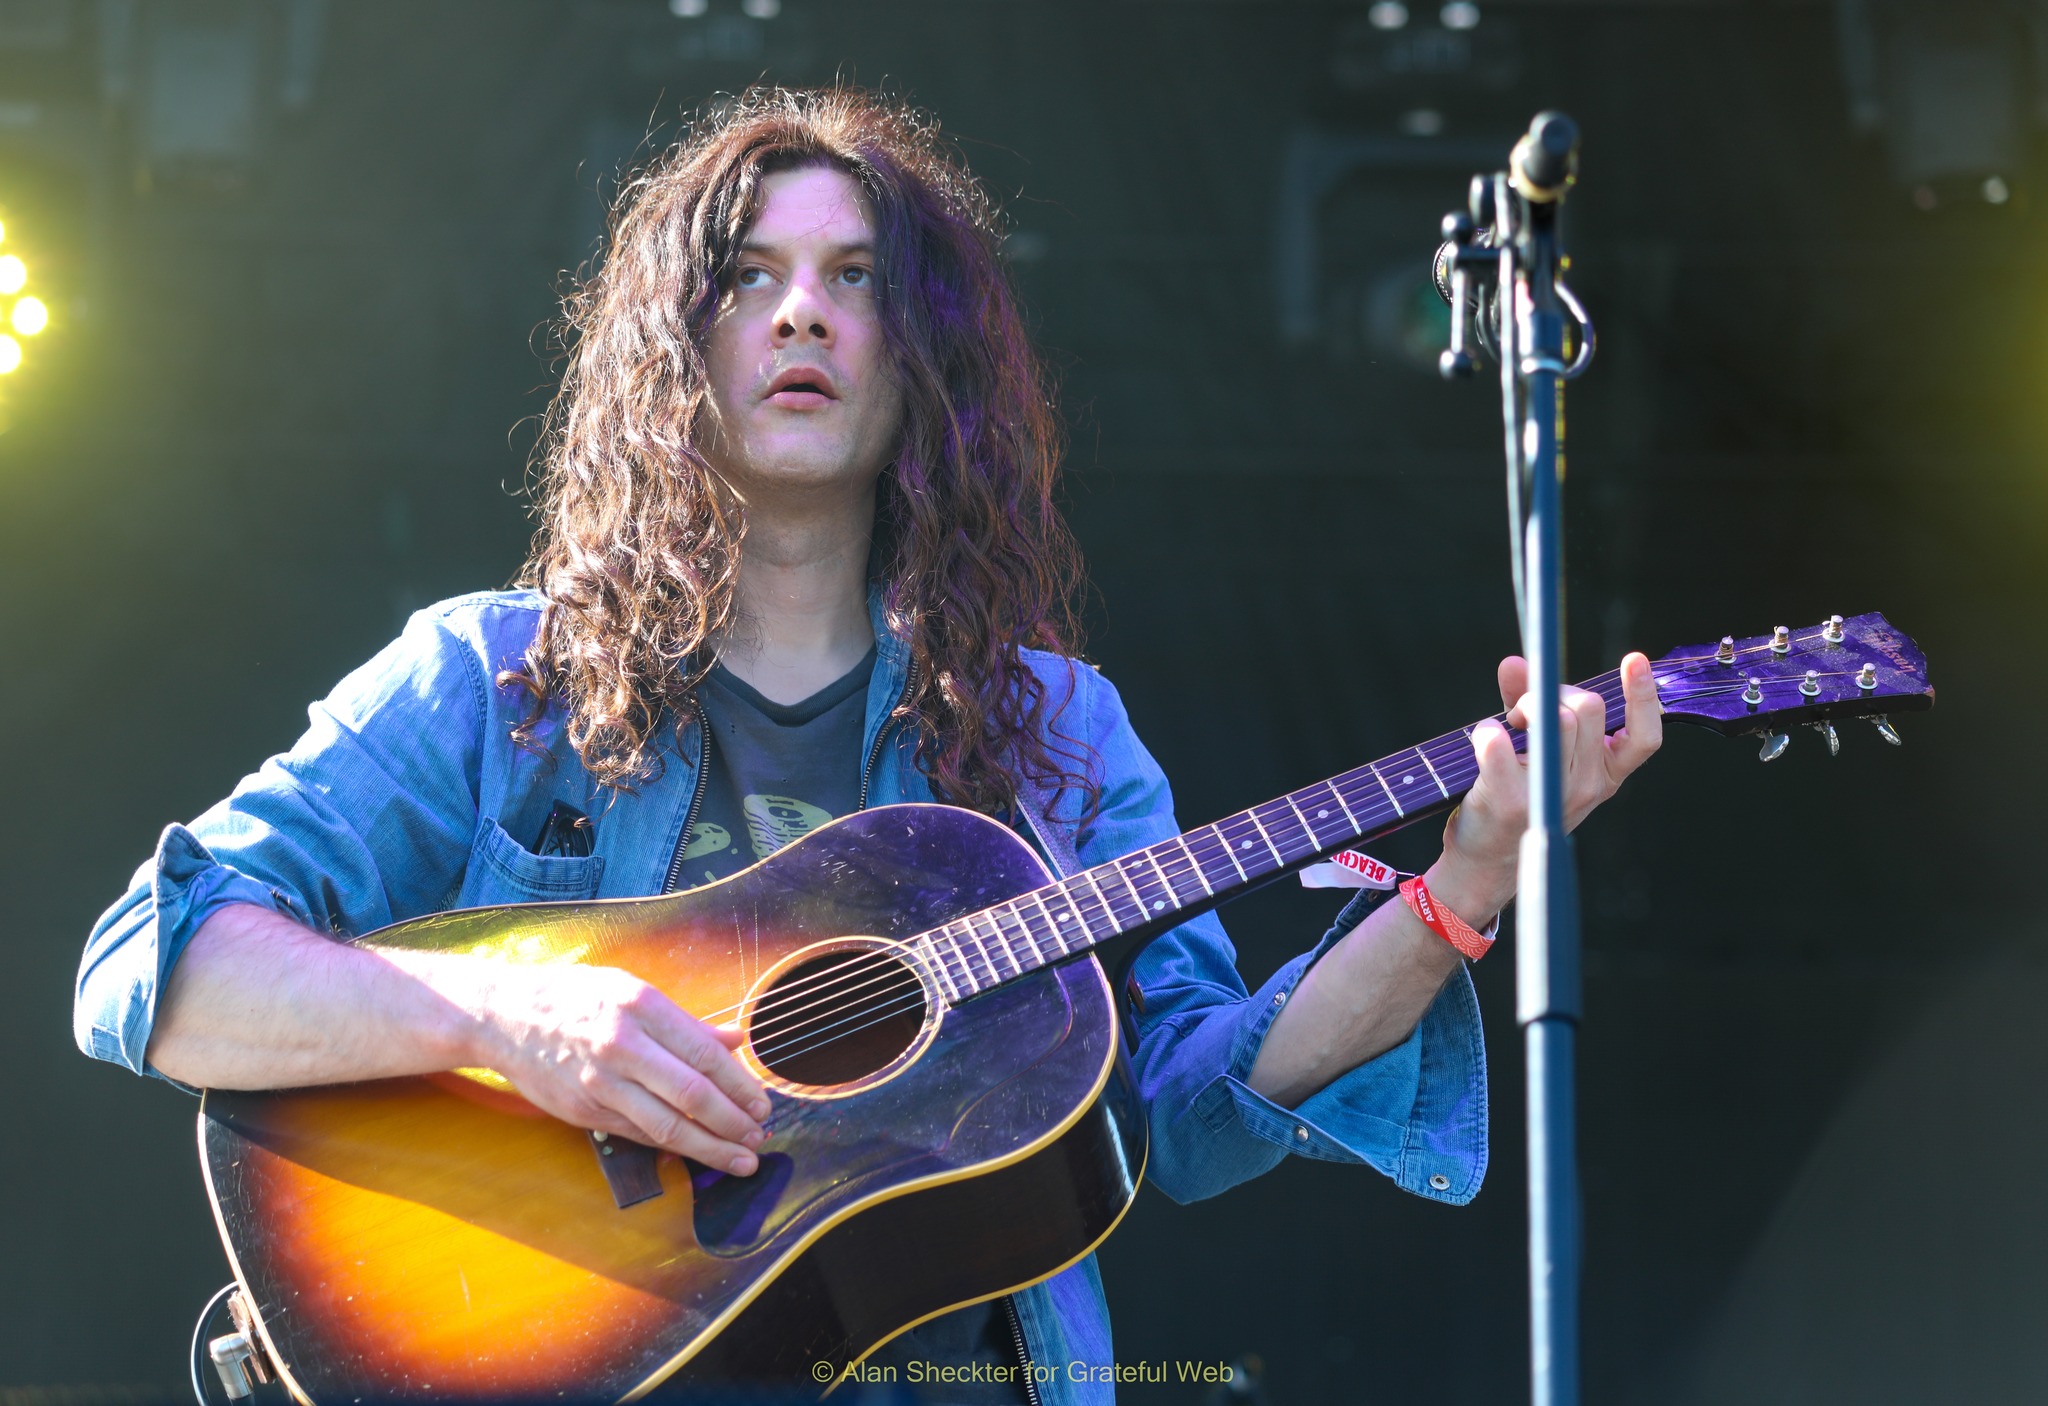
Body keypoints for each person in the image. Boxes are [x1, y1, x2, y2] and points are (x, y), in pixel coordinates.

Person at [73, 87, 1661, 1404]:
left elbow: (1188, 1104)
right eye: (749, 277)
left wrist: (1463, 883)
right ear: (672, 350)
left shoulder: (1056, 735)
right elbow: (152, 962)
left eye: (853, 280)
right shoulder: (501, 683)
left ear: (925, 360)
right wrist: (511, 1019)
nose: (803, 314)